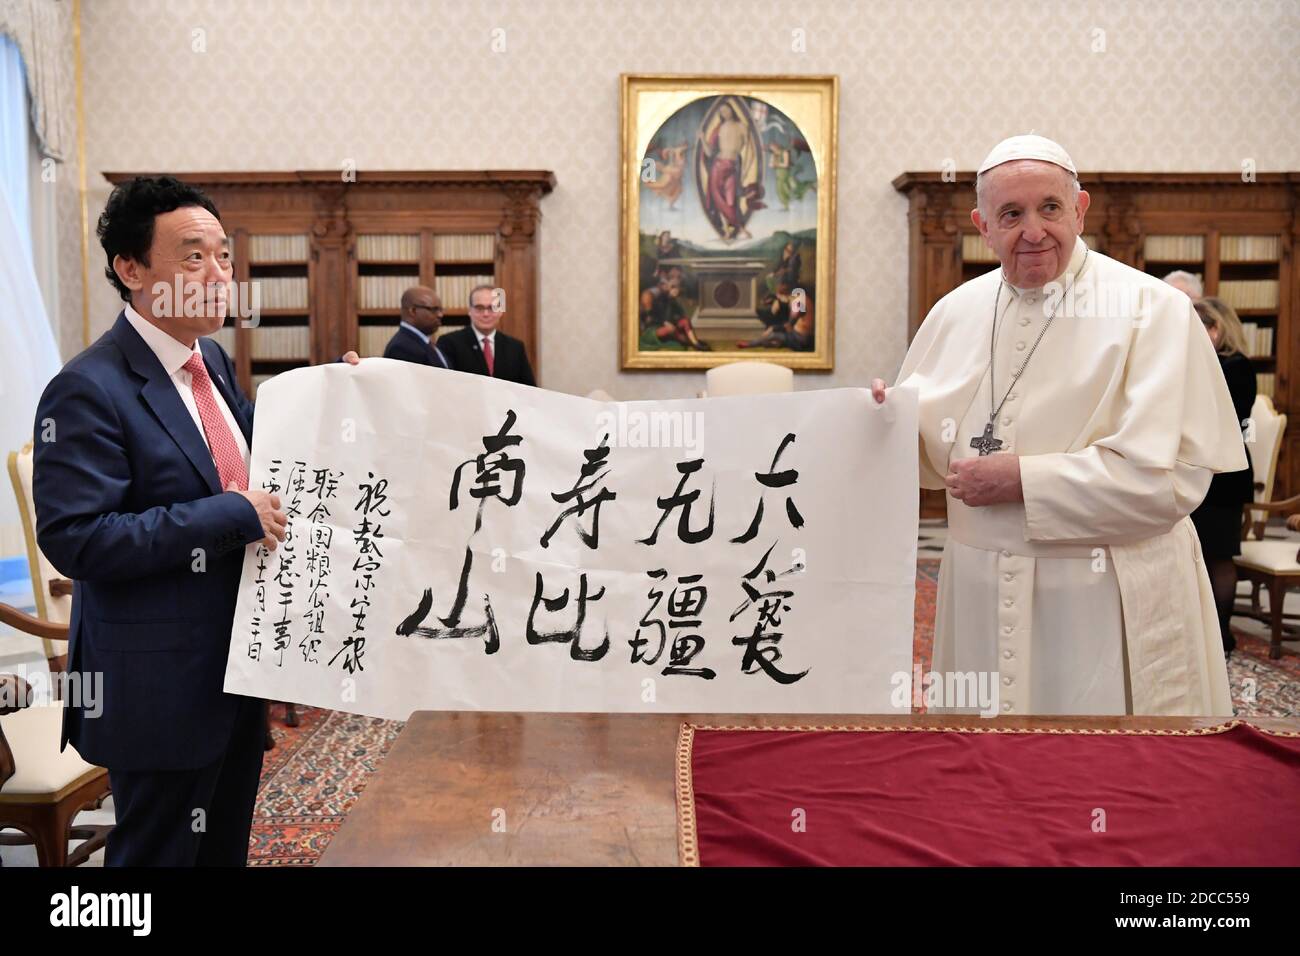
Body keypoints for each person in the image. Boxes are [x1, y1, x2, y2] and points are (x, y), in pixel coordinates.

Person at [32, 175, 359, 866]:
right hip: (157, 688)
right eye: (193, 257)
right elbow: (76, 539)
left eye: (225, 257)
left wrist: (340, 397)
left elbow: (253, 460)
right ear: (130, 268)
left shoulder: (207, 359)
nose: (219, 275)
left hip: (233, 674)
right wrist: (224, 516)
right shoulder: (89, 388)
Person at [870, 134, 1246, 716]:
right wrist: (879, 418)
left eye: (1050, 207)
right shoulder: (955, 311)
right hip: (980, 594)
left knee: (1103, 778)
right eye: (1011, 214)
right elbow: (917, 445)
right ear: (982, 225)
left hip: (1104, 600)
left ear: (1080, 208)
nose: (1033, 231)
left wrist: (1022, 479)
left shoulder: (1154, 311)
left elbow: (1171, 483)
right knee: (985, 779)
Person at [1189, 297, 1255, 657]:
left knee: (1218, 554)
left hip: (1224, 476)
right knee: (1199, 552)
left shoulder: (1236, 367)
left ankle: (1222, 635)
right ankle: (1201, 634)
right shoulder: (1212, 365)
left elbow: (1225, 415)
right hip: (1202, 470)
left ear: (1215, 329)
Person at [437, 283, 536, 386]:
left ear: (500, 311)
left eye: (492, 308)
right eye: (479, 308)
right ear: (470, 311)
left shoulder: (515, 347)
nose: (486, 314)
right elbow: (444, 386)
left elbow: (529, 389)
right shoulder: (449, 343)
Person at [383, 285, 451, 369]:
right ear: (413, 311)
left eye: (440, 310)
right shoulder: (402, 348)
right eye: (434, 309)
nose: (440, 315)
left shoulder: (424, 342)